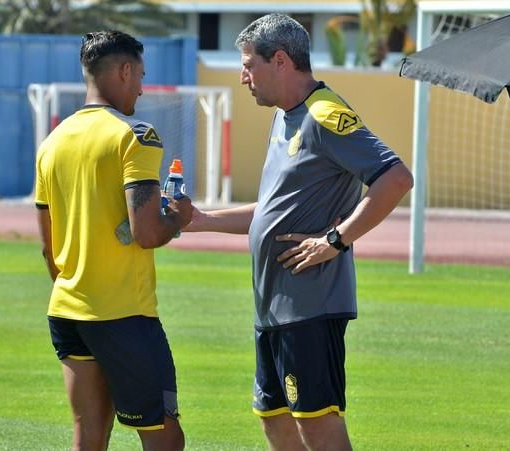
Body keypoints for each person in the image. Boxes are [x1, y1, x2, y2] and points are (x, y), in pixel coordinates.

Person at [185, 14, 414, 451]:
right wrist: (202, 220)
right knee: (274, 420)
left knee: (317, 425)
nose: (243, 76)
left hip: (309, 306)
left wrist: (336, 239)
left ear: (281, 61)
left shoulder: (324, 114)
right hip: (272, 307)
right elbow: (274, 209)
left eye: (249, 64)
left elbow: (396, 177)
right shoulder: (285, 115)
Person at [34, 30, 192, 451]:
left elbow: (49, 248)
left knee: (89, 434)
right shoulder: (137, 136)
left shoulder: (51, 144)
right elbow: (146, 233)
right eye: (140, 75)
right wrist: (178, 218)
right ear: (124, 71)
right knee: (164, 437)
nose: (141, 87)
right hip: (123, 314)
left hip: (67, 309)